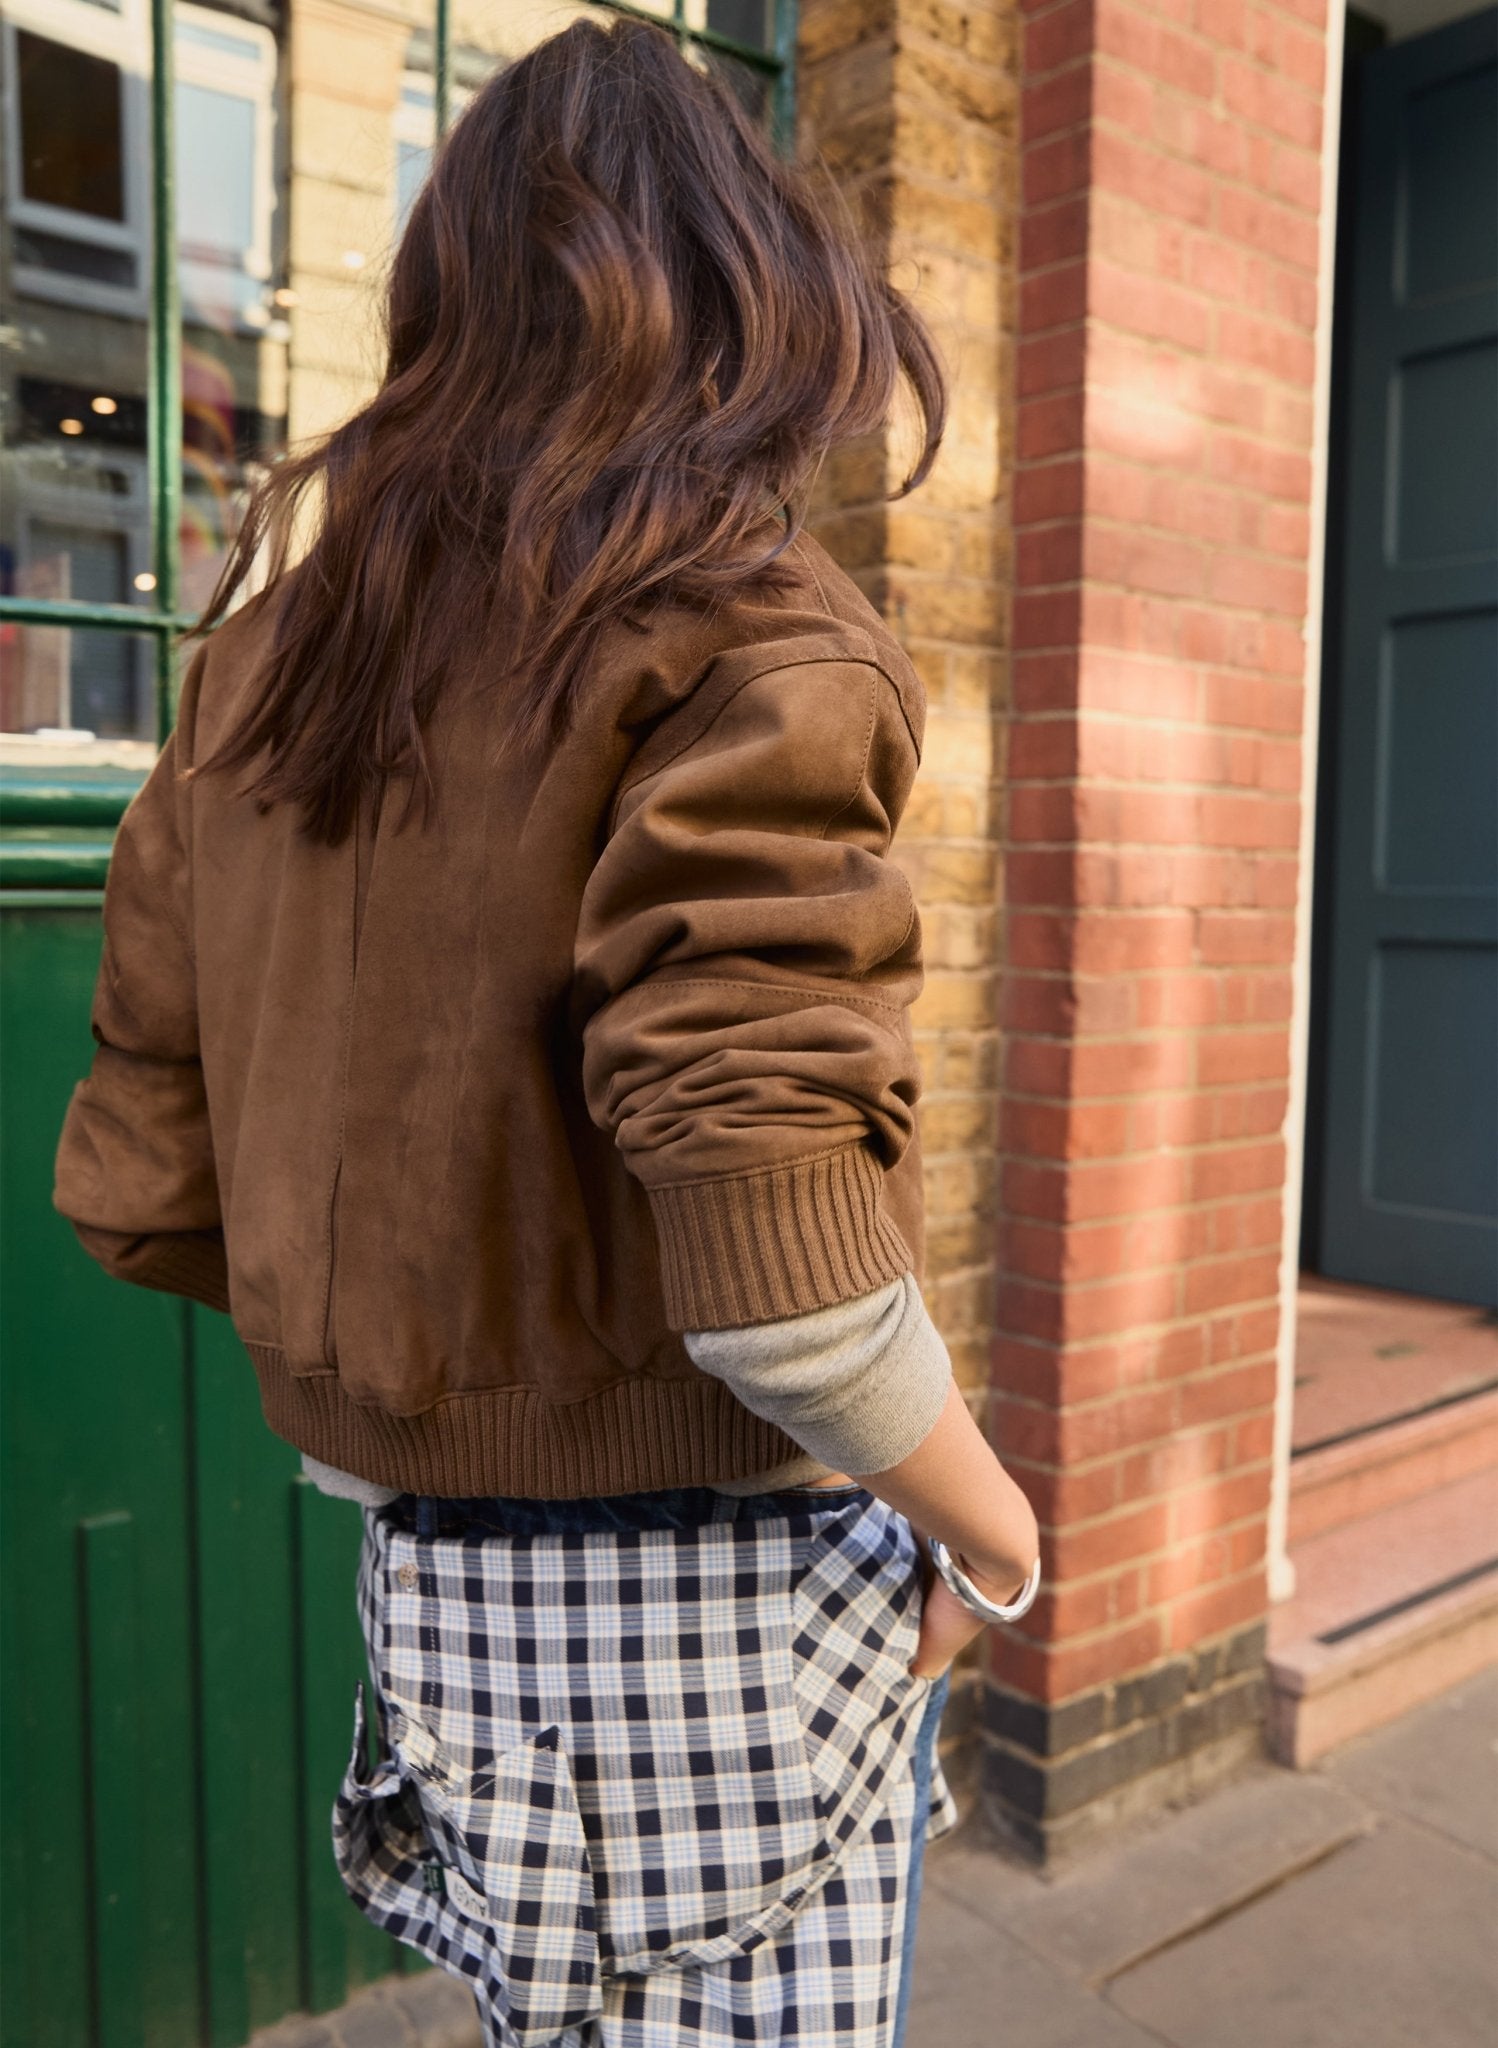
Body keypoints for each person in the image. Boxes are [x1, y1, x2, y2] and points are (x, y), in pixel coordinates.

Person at [51, 16, 1040, 2046]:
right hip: (724, 1606)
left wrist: (415, 1354)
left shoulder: (260, 671)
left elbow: (147, 1170)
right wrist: (993, 1528)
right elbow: (780, 1271)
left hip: (437, 1605)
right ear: (750, 294)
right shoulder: (737, 625)